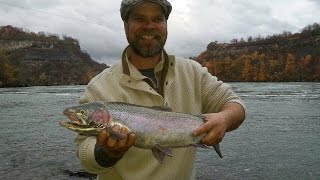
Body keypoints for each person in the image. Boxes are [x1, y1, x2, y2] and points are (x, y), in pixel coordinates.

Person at [75, 0, 246, 179]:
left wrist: (224, 119)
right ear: (126, 26)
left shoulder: (193, 72)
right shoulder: (99, 87)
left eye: (157, 19)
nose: (149, 26)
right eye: (140, 19)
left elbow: (235, 105)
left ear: (165, 25)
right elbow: (84, 154)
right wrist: (107, 153)